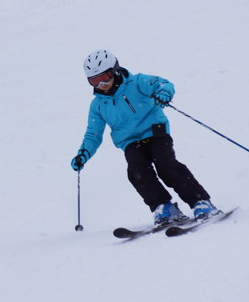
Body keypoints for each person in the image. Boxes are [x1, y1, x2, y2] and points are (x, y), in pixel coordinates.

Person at [69, 50, 222, 225]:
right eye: (94, 80)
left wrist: (164, 93)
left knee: (166, 166)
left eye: (104, 77)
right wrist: (84, 154)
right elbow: (93, 134)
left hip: (155, 131)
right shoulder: (98, 105)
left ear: (115, 70)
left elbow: (163, 84)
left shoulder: (137, 82)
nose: (101, 83)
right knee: (136, 172)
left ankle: (200, 202)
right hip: (130, 142)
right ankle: (164, 207)